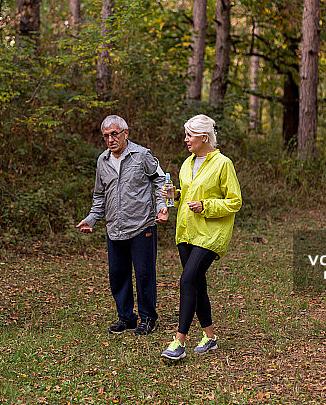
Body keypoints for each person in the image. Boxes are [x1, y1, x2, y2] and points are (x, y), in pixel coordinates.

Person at [77, 115, 169, 335]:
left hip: (141, 226)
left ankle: (147, 319)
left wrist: (162, 207)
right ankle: (126, 318)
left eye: (114, 134)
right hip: (115, 228)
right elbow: (100, 195)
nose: (110, 139)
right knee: (118, 275)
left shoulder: (142, 155)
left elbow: (160, 180)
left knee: (144, 274)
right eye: (106, 136)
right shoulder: (103, 161)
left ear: (126, 133)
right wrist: (91, 218)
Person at [160, 114, 242, 360]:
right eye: (186, 135)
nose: (186, 140)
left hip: (210, 234)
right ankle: (210, 337)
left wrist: (206, 206)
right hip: (186, 233)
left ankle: (179, 342)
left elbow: (234, 201)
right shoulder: (187, 164)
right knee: (197, 283)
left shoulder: (222, 164)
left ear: (204, 137)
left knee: (186, 280)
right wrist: (172, 197)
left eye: (189, 135)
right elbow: (185, 195)